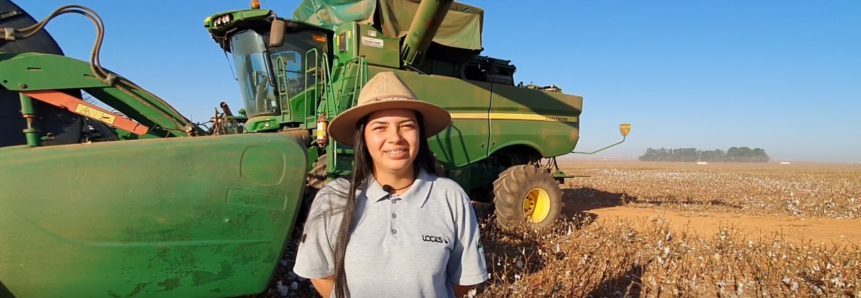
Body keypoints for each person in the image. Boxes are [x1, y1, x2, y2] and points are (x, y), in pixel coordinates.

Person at [292, 71, 488, 298]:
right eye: (380, 127)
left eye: (407, 126)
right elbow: (321, 274)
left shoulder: (451, 197)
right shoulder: (333, 198)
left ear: (420, 134)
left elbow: (460, 283)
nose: (395, 137)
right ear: (362, 137)